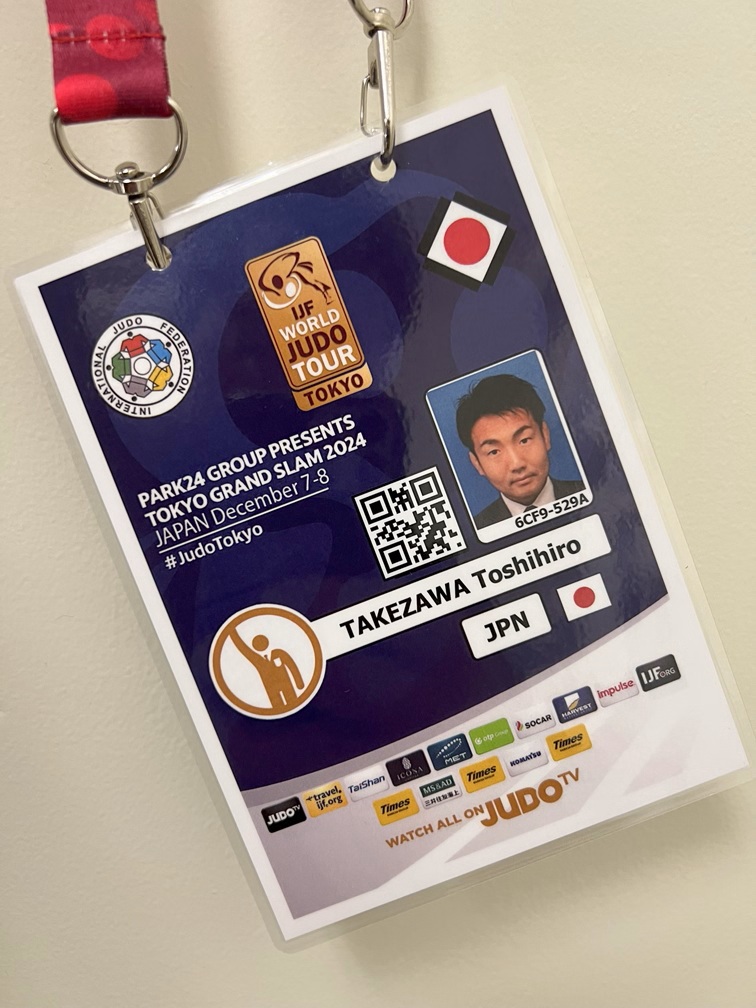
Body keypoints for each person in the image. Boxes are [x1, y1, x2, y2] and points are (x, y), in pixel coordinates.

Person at [455, 373, 584, 529]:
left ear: (545, 435)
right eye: (494, 452)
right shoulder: (478, 531)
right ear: (477, 463)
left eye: (524, 440)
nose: (516, 464)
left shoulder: (592, 492)